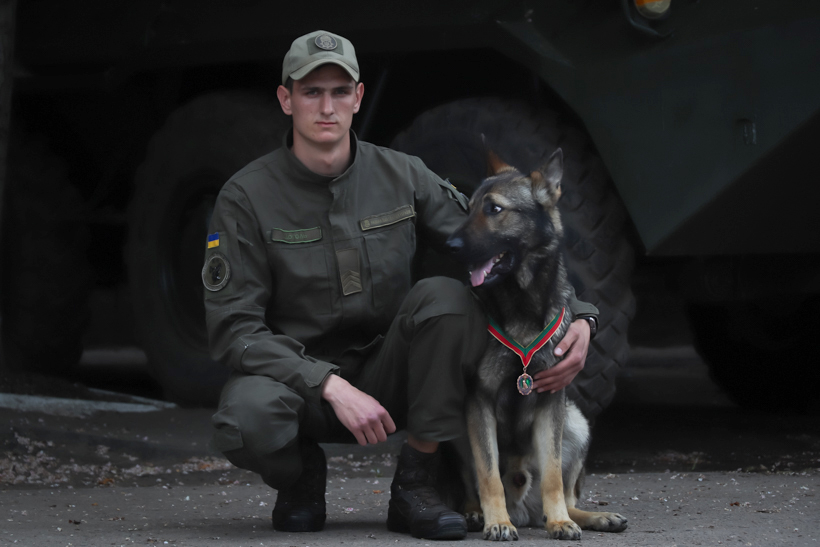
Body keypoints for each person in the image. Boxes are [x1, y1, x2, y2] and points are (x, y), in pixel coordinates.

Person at [203, 30, 599, 540]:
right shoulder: (245, 197)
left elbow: (499, 242)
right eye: (310, 91)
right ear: (286, 99)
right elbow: (234, 328)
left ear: (358, 97)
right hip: (297, 381)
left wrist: (580, 315)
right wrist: (326, 383)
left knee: (449, 299)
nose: (327, 107)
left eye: (340, 91)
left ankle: (417, 483)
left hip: (392, 373)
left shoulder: (402, 174)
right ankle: (300, 477)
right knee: (246, 416)